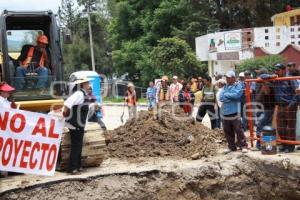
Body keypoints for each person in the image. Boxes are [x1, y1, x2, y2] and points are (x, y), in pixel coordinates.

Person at [63, 77, 92, 174]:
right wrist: (64, 113)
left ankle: (78, 166)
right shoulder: (79, 93)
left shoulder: (82, 93)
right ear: (82, 84)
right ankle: (72, 168)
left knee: (78, 145)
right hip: (76, 124)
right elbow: (67, 103)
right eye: (87, 83)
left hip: (79, 124)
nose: (89, 85)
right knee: (76, 145)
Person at [220, 70, 248, 153]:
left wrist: (226, 95)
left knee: (238, 129)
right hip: (226, 112)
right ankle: (231, 147)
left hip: (235, 112)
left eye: (228, 77)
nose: (227, 79)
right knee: (227, 130)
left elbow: (237, 95)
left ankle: (243, 145)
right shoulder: (225, 87)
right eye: (226, 77)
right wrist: (229, 96)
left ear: (233, 78)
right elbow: (221, 97)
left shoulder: (238, 85)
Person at [273, 63, 298, 153]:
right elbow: (263, 76)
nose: (276, 72)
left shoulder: (290, 79)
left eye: (278, 70)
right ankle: (284, 144)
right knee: (280, 127)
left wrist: (291, 105)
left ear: (284, 70)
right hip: (280, 106)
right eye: (275, 70)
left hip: (289, 105)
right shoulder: (276, 79)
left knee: (290, 127)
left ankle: (290, 146)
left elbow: (297, 93)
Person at [255, 68, 276, 150]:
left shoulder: (268, 83)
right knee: (266, 128)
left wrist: (264, 84)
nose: (257, 76)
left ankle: (263, 145)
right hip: (261, 108)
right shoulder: (260, 83)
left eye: (259, 74)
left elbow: (266, 93)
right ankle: (265, 146)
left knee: (261, 127)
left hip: (267, 108)